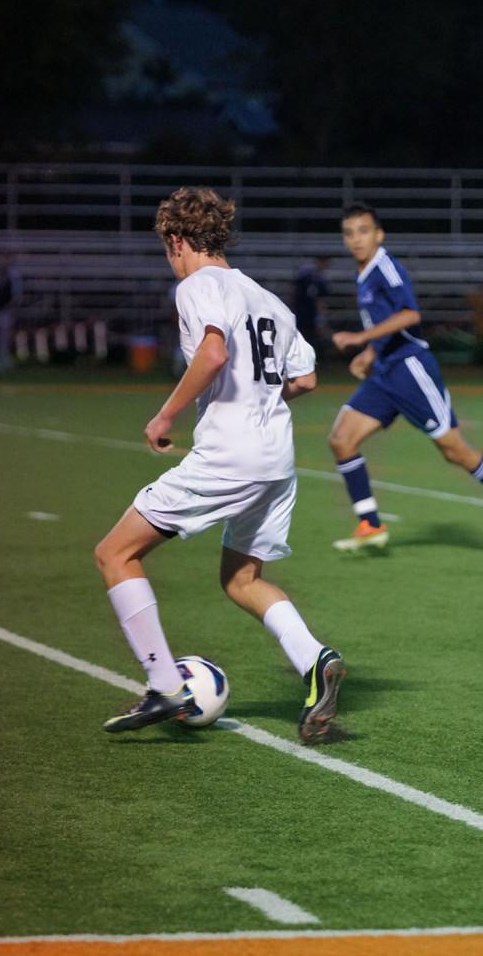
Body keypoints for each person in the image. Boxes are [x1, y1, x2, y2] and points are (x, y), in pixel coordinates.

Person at [95, 186, 345, 743]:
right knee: (241, 579)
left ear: (178, 241)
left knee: (115, 553)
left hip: (229, 455)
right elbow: (305, 378)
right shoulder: (267, 298)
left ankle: (163, 684)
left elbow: (213, 353)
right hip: (275, 459)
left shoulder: (197, 286)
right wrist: (258, 400)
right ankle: (315, 659)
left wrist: (165, 417)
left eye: (168, 248)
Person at [329, 202, 483, 560]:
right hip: (385, 374)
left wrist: (362, 339)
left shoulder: (385, 268)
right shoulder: (363, 274)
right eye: (349, 233)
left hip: (411, 371)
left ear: (379, 234)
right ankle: (371, 525)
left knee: (454, 449)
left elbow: (410, 315)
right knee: (341, 440)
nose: (356, 239)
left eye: (364, 231)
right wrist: (372, 353)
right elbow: (388, 324)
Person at [290, 257, 330, 362]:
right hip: (301, 312)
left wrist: (321, 316)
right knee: (300, 337)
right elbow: (294, 292)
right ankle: (299, 360)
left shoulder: (321, 279)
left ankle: (312, 360)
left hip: (311, 313)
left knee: (312, 338)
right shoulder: (306, 276)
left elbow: (321, 299)